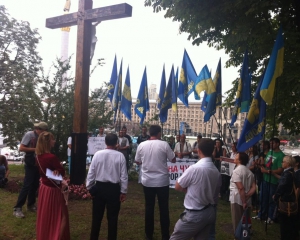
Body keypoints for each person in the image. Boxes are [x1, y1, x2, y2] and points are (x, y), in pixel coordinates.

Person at [169, 138, 221, 240]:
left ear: (199, 151)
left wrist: (188, 190)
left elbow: (178, 186)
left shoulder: (194, 169)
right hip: (209, 211)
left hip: (194, 213)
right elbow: (215, 193)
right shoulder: (216, 171)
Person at [135, 125, 176, 240]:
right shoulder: (164, 144)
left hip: (147, 181)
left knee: (149, 207)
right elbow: (173, 159)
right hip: (162, 181)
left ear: (149, 133)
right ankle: (165, 235)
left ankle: (149, 234)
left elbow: (137, 161)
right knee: (164, 208)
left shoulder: (142, 145)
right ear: (159, 133)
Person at [86, 133, 128, 240]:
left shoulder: (97, 154)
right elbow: (124, 176)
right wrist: (123, 191)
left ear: (105, 142)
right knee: (113, 218)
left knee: (96, 218)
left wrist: (89, 188)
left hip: (99, 188)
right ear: (116, 143)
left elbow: (91, 173)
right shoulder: (120, 156)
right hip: (114, 189)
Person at [35, 131, 70, 240]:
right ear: (48, 142)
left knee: (46, 215)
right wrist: (59, 170)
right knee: (62, 216)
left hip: (44, 188)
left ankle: (45, 235)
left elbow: (43, 172)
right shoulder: (51, 157)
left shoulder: (38, 157)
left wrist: (56, 170)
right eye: (52, 139)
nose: (54, 141)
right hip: (54, 190)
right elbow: (62, 172)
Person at [13, 121, 48, 218]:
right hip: (30, 163)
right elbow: (21, 148)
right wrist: (36, 149)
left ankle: (31, 205)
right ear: (39, 129)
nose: (42, 132)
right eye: (41, 130)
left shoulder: (43, 137)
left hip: (38, 163)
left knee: (35, 184)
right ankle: (17, 208)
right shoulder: (29, 135)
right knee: (27, 185)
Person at [253, 137, 284, 223]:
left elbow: (280, 170)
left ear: (277, 144)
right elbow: (267, 164)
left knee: (271, 200)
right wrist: (259, 164)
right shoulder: (270, 152)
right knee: (262, 197)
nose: (271, 145)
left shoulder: (281, 155)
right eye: (270, 143)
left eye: (273, 143)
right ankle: (261, 215)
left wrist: (268, 171)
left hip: (273, 181)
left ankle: (271, 217)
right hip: (265, 179)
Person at [229, 152, 256, 237]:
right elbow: (254, 187)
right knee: (245, 221)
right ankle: (245, 235)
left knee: (237, 221)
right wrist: (247, 195)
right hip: (246, 199)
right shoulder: (249, 172)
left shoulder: (237, 171)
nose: (235, 157)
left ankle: (238, 236)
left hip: (237, 199)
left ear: (240, 160)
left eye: (236, 156)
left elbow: (240, 188)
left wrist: (244, 200)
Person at [273, 155, 298, 240]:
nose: (282, 163)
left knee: (285, 225)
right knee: (290, 224)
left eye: (283, 161)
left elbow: (281, 187)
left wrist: (276, 196)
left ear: (287, 163)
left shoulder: (287, 174)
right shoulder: (292, 172)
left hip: (286, 200)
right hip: (291, 199)